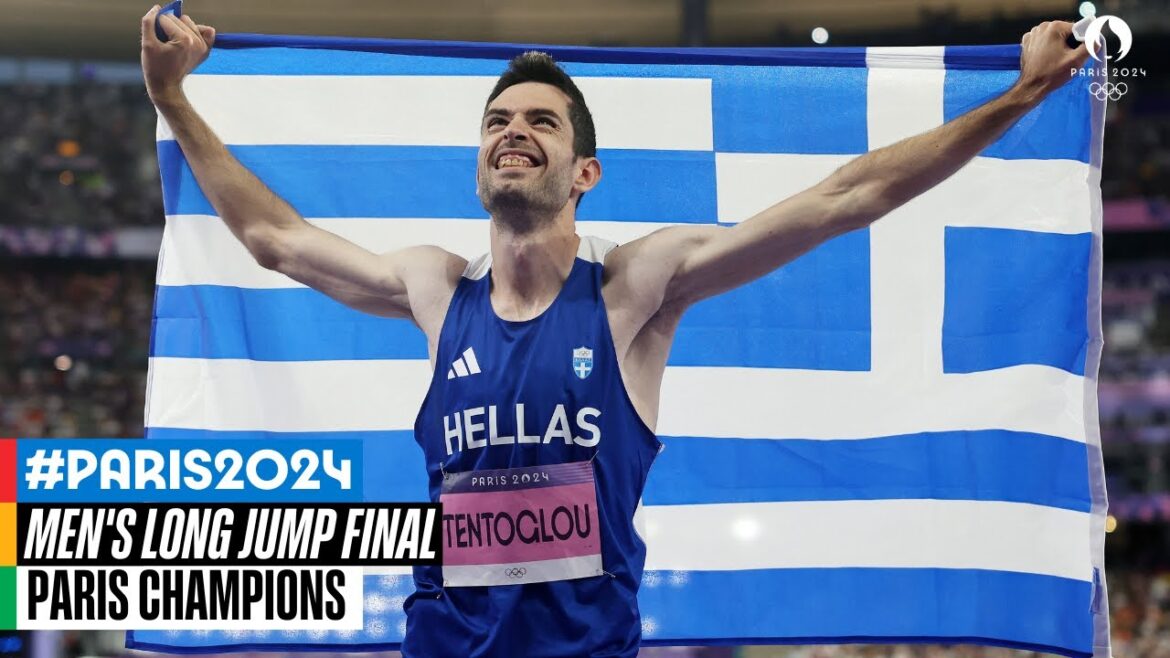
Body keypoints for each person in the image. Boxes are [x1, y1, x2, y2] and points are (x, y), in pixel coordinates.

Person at [139, 6, 1089, 657]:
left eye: (541, 122)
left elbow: (845, 199)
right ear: (478, 160)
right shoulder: (435, 289)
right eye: (497, 121)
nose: (514, 131)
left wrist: (1019, 95)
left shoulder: (637, 288)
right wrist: (174, 98)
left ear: (584, 171)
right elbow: (274, 240)